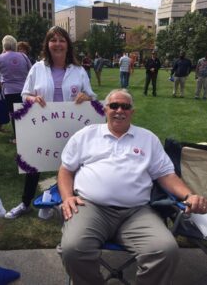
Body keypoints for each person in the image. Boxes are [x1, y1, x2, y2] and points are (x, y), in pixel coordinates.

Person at [58, 88, 207, 285]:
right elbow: (65, 171)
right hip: (91, 207)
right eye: (114, 105)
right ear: (105, 109)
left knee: (165, 250)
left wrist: (188, 195)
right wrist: (67, 197)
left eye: (125, 106)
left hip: (137, 212)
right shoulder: (86, 135)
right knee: (73, 249)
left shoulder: (147, 139)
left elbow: (166, 175)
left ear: (132, 112)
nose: (120, 110)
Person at [4, 26, 96, 219]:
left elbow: (91, 95)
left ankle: (70, 201)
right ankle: (26, 203)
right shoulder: (37, 68)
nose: (58, 44)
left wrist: (85, 97)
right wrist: (32, 99)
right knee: (35, 163)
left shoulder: (78, 70)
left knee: (73, 166)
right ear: (48, 44)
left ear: (67, 45)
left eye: (62, 40)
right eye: (53, 40)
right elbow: (25, 94)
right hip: (43, 124)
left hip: (72, 125)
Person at [0, 35, 32, 143]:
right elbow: (30, 69)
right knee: (25, 113)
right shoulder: (23, 56)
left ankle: (17, 138)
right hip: (24, 89)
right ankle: (28, 134)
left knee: (14, 114)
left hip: (9, 91)